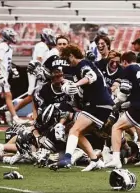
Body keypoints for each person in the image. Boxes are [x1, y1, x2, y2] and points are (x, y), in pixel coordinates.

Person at [49, 44, 114, 172]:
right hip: (99, 104)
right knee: (75, 132)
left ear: (72, 56)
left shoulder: (83, 64)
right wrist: (69, 85)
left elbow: (91, 77)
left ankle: (67, 158)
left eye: (67, 60)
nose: (67, 63)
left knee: (74, 130)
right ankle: (95, 160)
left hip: (98, 104)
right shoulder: (79, 67)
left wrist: (75, 85)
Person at [12, 28, 56, 121]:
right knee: (32, 95)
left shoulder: (45, 47)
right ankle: (13, 112)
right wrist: (39, 72)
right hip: (35, 71)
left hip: (38, 71)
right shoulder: (42, 45)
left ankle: (30, 113)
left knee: (35, 95)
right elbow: (39, 59)